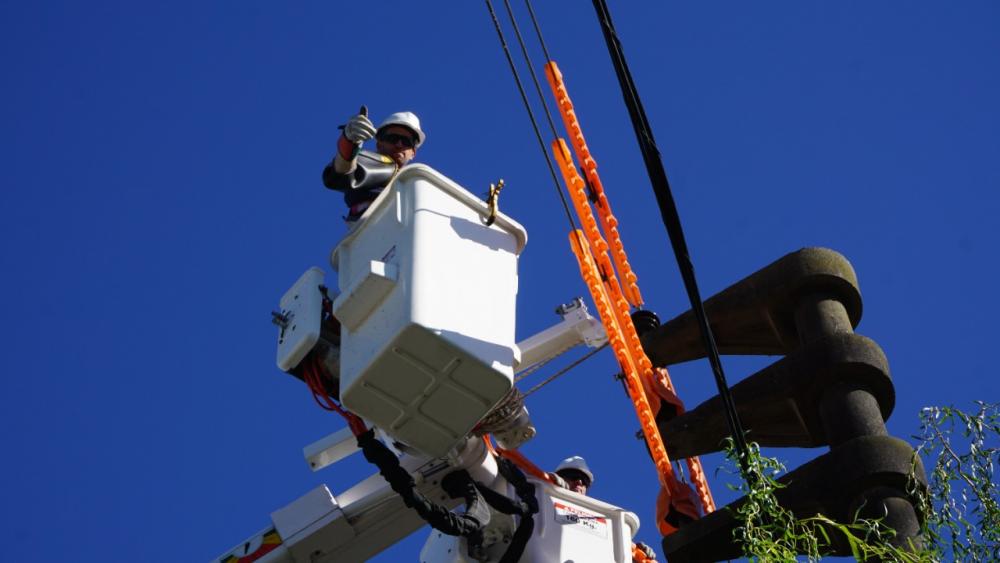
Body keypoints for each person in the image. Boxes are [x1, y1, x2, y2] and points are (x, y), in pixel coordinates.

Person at [322, 109, 426, 222]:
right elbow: (341, 174)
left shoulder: (416, 181)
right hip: (371, 228)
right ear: (379, 144)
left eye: (406, 142)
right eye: (393, 138)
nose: (399, 144)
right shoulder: (371, 163)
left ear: (413, 153)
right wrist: (349, 142)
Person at [548, 456, 658, 562]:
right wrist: (548, 482)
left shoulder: (599, 519)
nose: (579, 482)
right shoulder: (544, 501)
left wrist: (635, 553)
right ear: (560, 477)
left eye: (584, 481)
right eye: (573, 476)